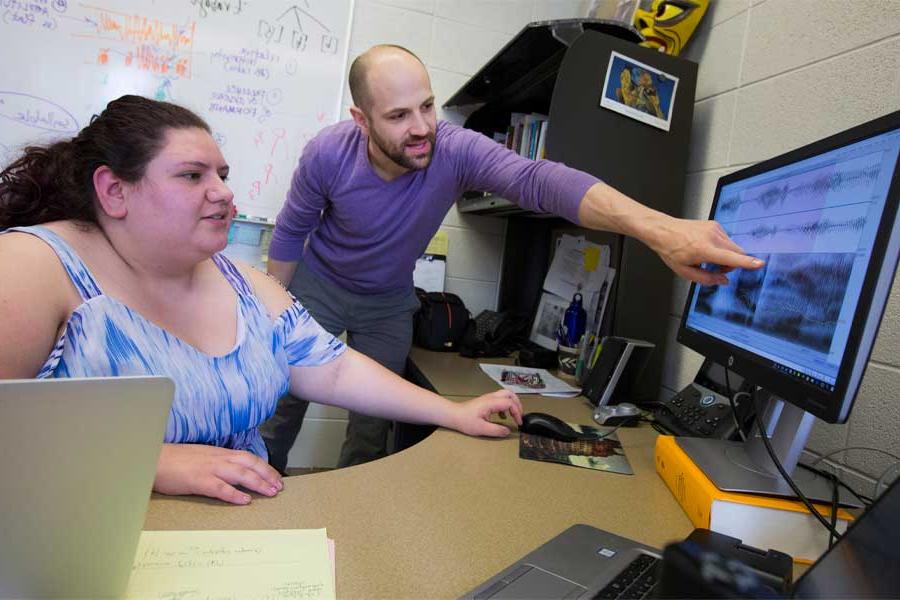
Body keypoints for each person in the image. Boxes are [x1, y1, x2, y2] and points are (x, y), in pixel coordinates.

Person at [0, 95, 524, 505]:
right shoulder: (33, 266)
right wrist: (146, 462)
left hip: (237, 537)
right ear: (114, 191)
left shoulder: (242, 282)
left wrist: (452, 412)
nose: (224, 193)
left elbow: (335, 370)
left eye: (222, 176)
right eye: (192, 175)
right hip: (96, 539)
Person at [263, 44, 762, 471]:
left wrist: (660, 228)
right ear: (361, 119)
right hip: (318, 289)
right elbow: (289, 234)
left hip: (389, 300)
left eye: (428, 106)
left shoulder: (453, 149)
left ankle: (353, 529)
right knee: (281, 405)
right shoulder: (327, 153)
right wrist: (272, 314)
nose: (421, 128)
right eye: (398, 116)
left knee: (373, 425)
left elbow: (539, 180)